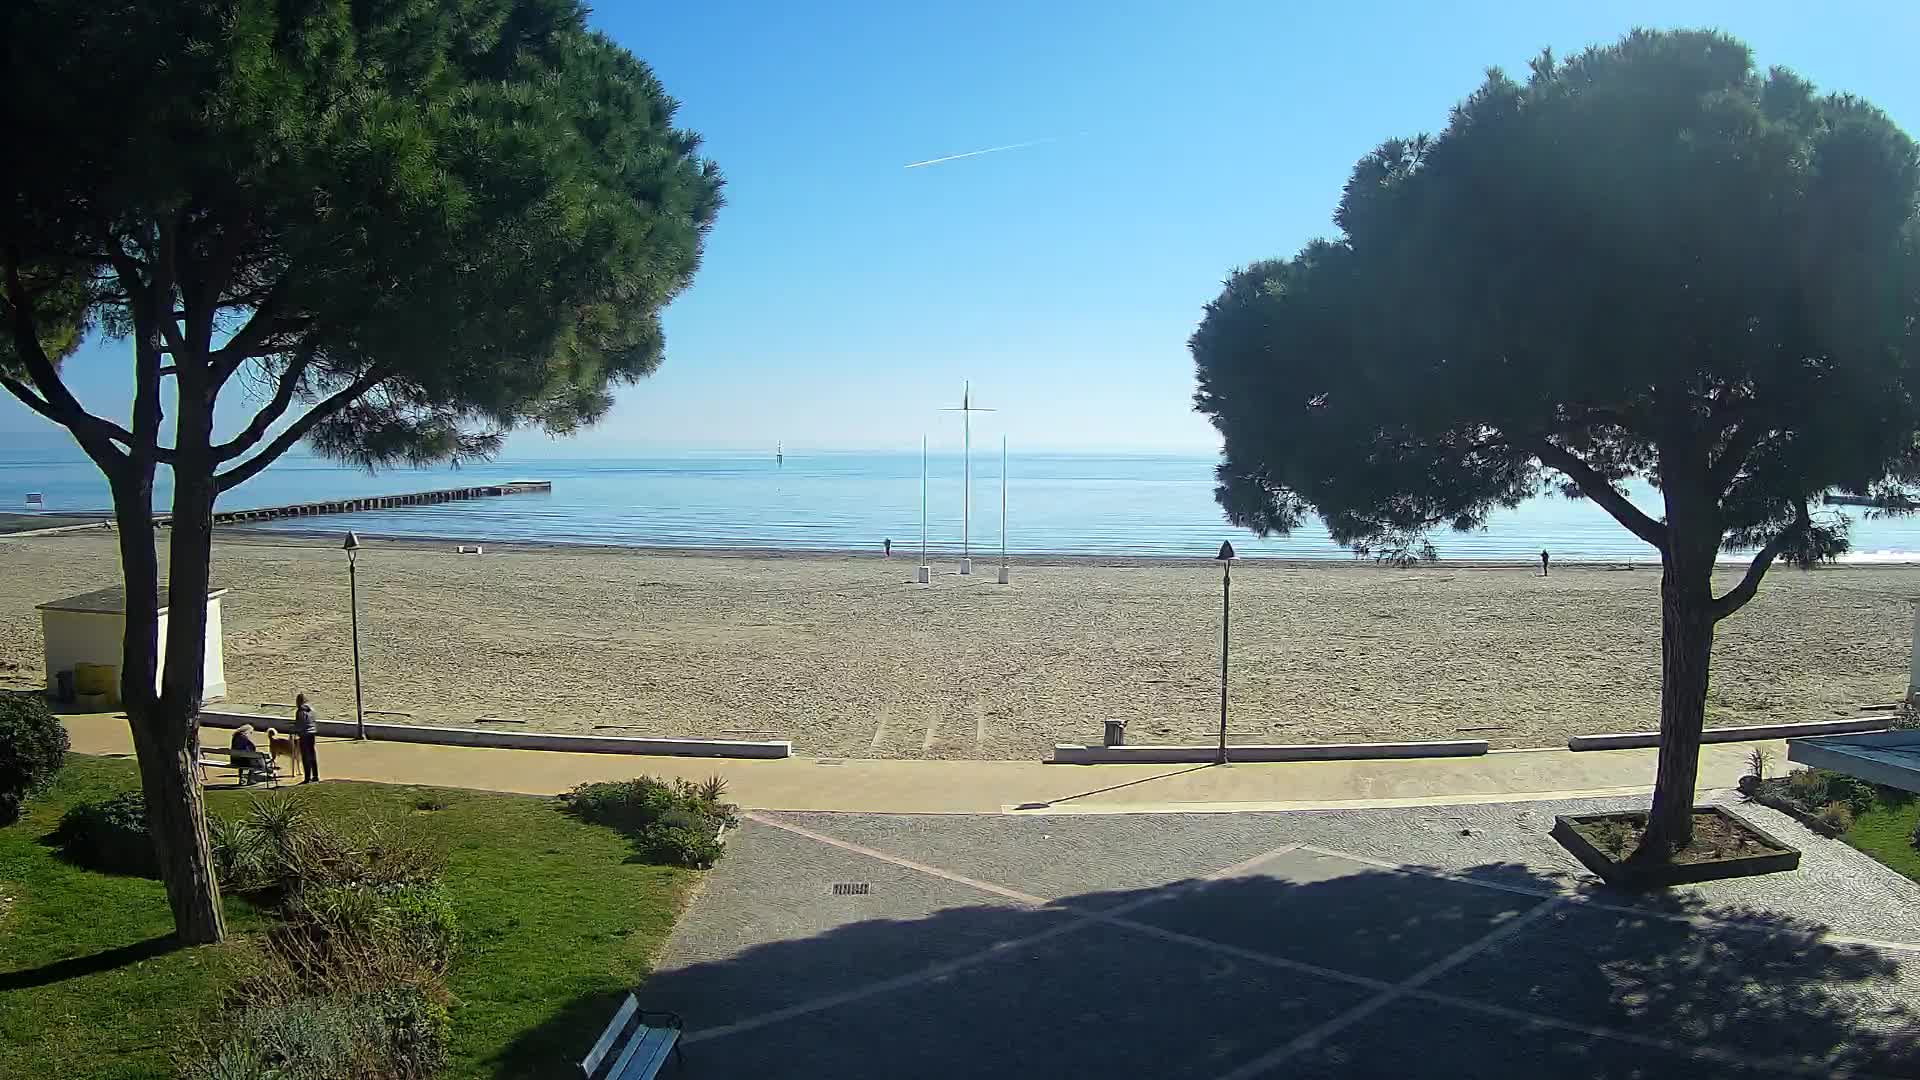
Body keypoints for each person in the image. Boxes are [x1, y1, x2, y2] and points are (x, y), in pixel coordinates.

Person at [293, 694, 320, 783]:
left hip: (304, 734)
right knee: (312, 754)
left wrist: (295, 730)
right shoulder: (311, 710)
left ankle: (307, 777)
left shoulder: (300, 711)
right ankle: (315, 776)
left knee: (305, 756)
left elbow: (299, 725)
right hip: (312, 733)